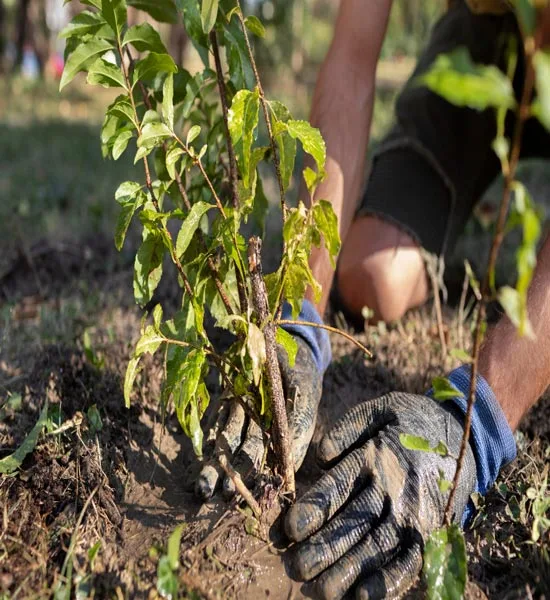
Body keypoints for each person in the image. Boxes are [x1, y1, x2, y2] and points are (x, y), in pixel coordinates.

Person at [196, 2, 550, 598]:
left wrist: (480, 419)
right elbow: (352, 62)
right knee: (371, 278)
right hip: (483, 49)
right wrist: (302, 312)